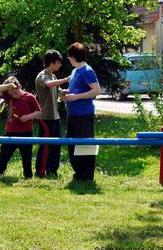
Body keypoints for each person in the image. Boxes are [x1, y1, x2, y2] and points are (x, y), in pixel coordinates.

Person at [61, 42, 101, 181]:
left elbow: (97, 91)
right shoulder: (74, 71)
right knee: (71, 145)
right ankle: (78, 173)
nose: (68, 59)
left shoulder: (87, 71)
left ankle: (87, 176)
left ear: (74, 56)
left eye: (69, 56)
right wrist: (66, 92)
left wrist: (76, 97)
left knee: (85, 145)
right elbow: (78, 89)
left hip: (84, 115)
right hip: (72, 114)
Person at [0, 76, 41, 178]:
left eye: (15, 92)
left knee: (26, 157)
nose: (14, 96)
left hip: (26, 132)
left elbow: (38, 112)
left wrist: (28, 117)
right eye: (11, 93)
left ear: (19, 86)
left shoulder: (29, 97)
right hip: (11, 132)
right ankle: (0, 173)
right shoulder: (8, 97)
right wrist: (8, 86)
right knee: (4, 155)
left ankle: (28, 176)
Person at [35, 50, 69, 177]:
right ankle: (40, 172)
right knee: (45, 147)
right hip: (45, 118)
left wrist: (75, 91)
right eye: (59, 62)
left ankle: (53, 170)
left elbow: (60, 92)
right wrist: (65, 79)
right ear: (52, 63)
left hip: (56, 117)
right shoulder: (42, 76)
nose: (60, 65)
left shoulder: (54, 77)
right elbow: (49, 85)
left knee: (56, 146)